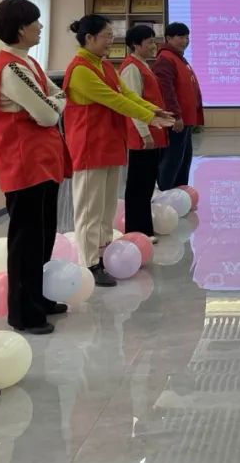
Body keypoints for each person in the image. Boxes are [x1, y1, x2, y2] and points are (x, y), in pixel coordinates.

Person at [63, 15, 174, 286]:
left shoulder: (104, 66)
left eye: (112, 37)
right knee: (89, 211)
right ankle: (89, 263)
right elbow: (114, 100)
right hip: (90, 148)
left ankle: (104, 254)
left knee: (106, 208)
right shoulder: (80, 70)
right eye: (106, 36)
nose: (110, 42)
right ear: (89, 38)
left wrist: (154, 110)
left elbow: (128, 95)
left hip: (110, 145)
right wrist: (149, 118)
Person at [0, 0, 68, 336]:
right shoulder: (12, 68)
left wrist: (54, 101)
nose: (40, 26)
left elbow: (58, 94)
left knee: (44, 235)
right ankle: (24, 312)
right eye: (35, 22)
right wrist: (55, 102)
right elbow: (48, 113)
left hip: (44, 162)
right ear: (21, 28)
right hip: (24, 165)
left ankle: (40, 297)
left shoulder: (28, 61)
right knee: (26, 242)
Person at [120, 24, 168, 238]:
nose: (153, 45)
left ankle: (144, 228)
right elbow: (133, 104)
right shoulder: (131, 68)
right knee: (139, 185)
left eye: (154, 41)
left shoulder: (143, 65)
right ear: (135, 45)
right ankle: (137, 230)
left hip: (152, 132)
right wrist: (144, 133)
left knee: (147, 184)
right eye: (149, 42)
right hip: (142, 136)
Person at [154, 22, 204, 191]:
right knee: (172, 159)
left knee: (183, 158)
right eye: (181, 37)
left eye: (187, 37)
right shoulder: (165, 59)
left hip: (185, 118)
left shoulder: (178, 57)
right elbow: (166, 91)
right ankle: (166, 193)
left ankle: (180, 192)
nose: (185, 41)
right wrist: (175, 115)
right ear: (168, 38)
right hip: (176, 120)